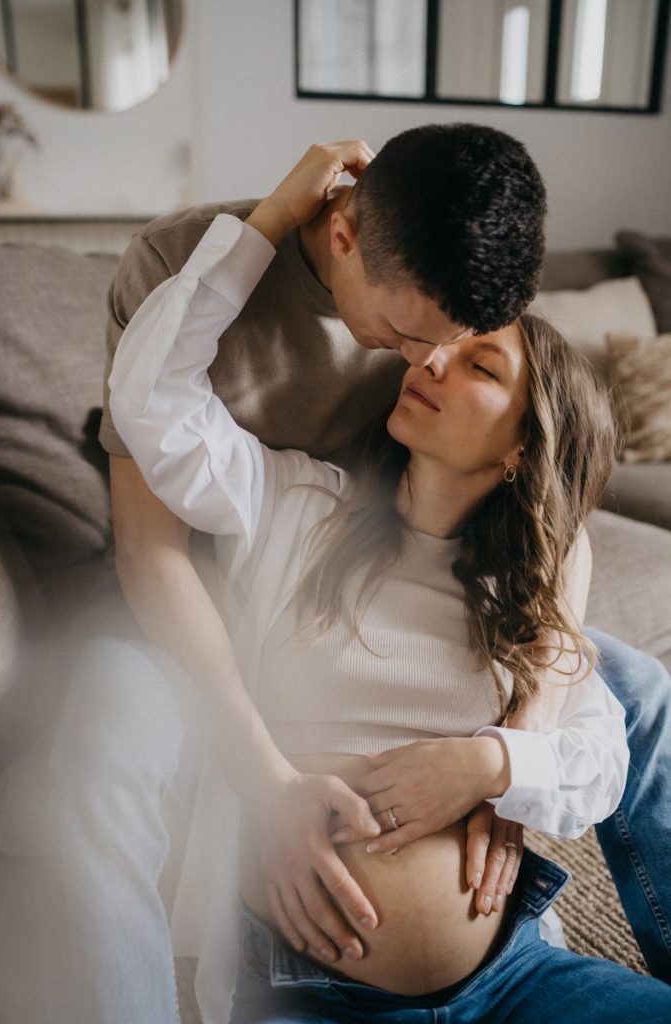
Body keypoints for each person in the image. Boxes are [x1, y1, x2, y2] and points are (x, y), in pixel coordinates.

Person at [107, 148, 671, 1023]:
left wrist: (489, 761)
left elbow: (593, 764)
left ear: (522, 449)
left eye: (477, 365)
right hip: (311, 989)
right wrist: (264, 226)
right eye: (439, 346)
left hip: (513, 977)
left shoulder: (515, 601)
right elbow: (152, 405)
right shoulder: (292, 504)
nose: (432, 361)